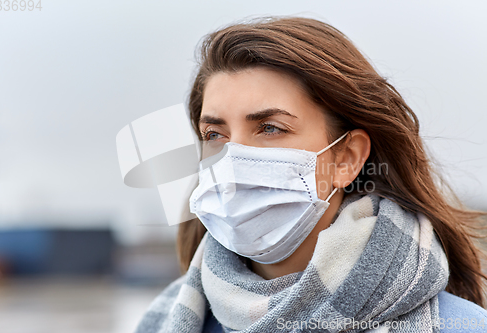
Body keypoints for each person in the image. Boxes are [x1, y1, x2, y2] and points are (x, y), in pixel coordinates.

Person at [135, 17, 487, 332]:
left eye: (270, 128)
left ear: (346, 158)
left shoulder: (461, 328)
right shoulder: (162, 321)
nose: (231, 158)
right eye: (215, 135)